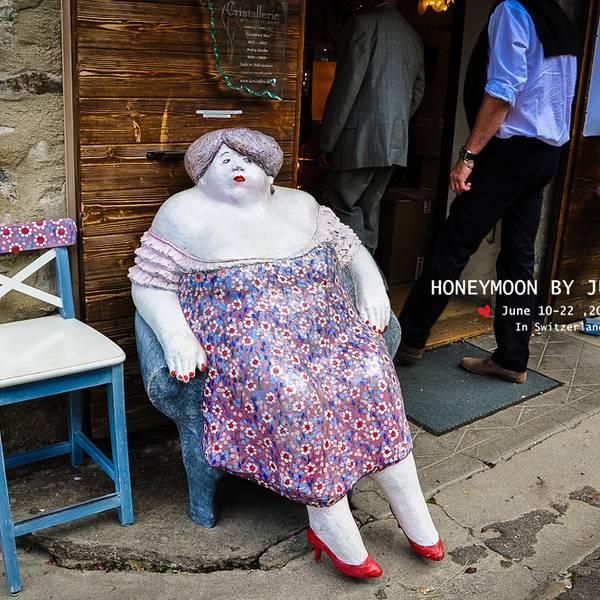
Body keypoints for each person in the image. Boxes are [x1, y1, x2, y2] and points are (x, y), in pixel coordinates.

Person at [129, 128, 444, 579]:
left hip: (326, 329)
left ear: (268, 169)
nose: (237, 167)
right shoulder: (182, 214)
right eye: (223, 161)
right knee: (295, 393)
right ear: (201, 175)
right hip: (247, 341)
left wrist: (372, 287)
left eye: (247, 159)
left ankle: (408, 502)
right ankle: (328, 515)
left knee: (373, 372)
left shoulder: (301, 205)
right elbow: (149, 283)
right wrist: (175, 335)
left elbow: (351, 251)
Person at [395, 0, 578, 383]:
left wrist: (468, 155)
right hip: (545, 153)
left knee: (454, 244)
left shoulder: (514, 9)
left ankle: (407, 340)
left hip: (508, 153)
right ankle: (512, 357)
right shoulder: (558, 17)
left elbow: (502, 92)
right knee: (519, 258)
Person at [318, 0, 425, 255]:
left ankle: (357, 268)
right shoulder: (412, 35)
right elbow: (418, 92)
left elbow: (346, 87)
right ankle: (372, 272)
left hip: (360, 136)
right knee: (369, 207)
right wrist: (395, 123)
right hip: (395, 140)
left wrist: (327, 141)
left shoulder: (364, 25)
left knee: (340, 202)